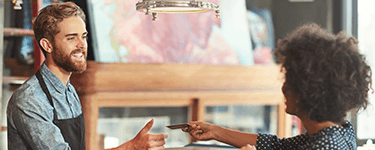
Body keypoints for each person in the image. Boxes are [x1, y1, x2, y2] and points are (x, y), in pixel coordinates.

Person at [183, 23, 373, 150]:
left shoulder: (323, 145)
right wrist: (215, 131)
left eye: (289, 81)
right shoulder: (338, 130)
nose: (283, 88)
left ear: (309, 92)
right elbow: (276, 146)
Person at [7, 2, 167, 150]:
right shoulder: (29, 100)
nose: (81, 44)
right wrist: (130, 147)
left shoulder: (69, 92)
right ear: (47, 45)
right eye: (71, 38)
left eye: (83, 36)